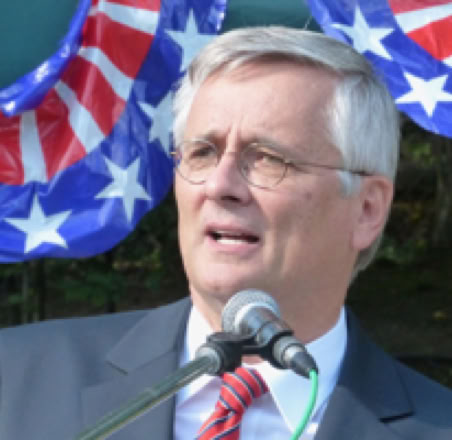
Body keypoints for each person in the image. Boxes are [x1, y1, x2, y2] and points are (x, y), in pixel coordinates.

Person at [0, 26, 451, 440]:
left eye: (268, 158)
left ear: (367, 209)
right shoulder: (16, 379)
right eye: (202, 153)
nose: (219, 186)